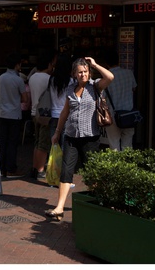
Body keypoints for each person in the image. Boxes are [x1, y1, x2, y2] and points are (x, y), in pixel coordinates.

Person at [45, 56, 114, 221]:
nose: (83, 75)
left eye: (85, 72)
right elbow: (64, 112)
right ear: (74, 74)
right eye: (80, 72)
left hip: (90, 137)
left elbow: (110, 77)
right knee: (67, 171)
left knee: (91, 172)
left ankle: (98, 203)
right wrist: (57, 132)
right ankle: (60, 207)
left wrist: (96, 64)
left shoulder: (95, 86)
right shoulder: (70, 89)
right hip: (71, 136)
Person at [0, 52, 30, 178]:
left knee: (2, 142)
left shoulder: (1, 77)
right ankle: (11, 168)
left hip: (3, 113)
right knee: (12, 143)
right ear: (17, 65)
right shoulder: (18, 80)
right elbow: (25, 99)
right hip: (15, 115)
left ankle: (1, 167)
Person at [28, 49, 56, 180]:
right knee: (43, 144)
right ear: (49, 64)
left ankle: (34, 167)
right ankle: (40, 170)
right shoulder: (49, 79)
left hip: (34, 113)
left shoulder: (32, 77)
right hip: (45, 114)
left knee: (37, 141)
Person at [104, 50, 138, 151]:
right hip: (129, 114)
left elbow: (103, 97)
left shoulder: (106, 78)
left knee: (114, 145)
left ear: (106, 64)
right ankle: (127, 166)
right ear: (118, 61)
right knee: (127, 145)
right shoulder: (128, 73)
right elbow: (134, 88)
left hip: (113, 116)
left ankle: (116, 167)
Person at [48, 53, 74, 149]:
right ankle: (63, 164)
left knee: (54, 146)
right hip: (66, 116)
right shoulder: (72, 82)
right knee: (65, 147)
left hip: (53, 115)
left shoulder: (51, 80)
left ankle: (54, 164)